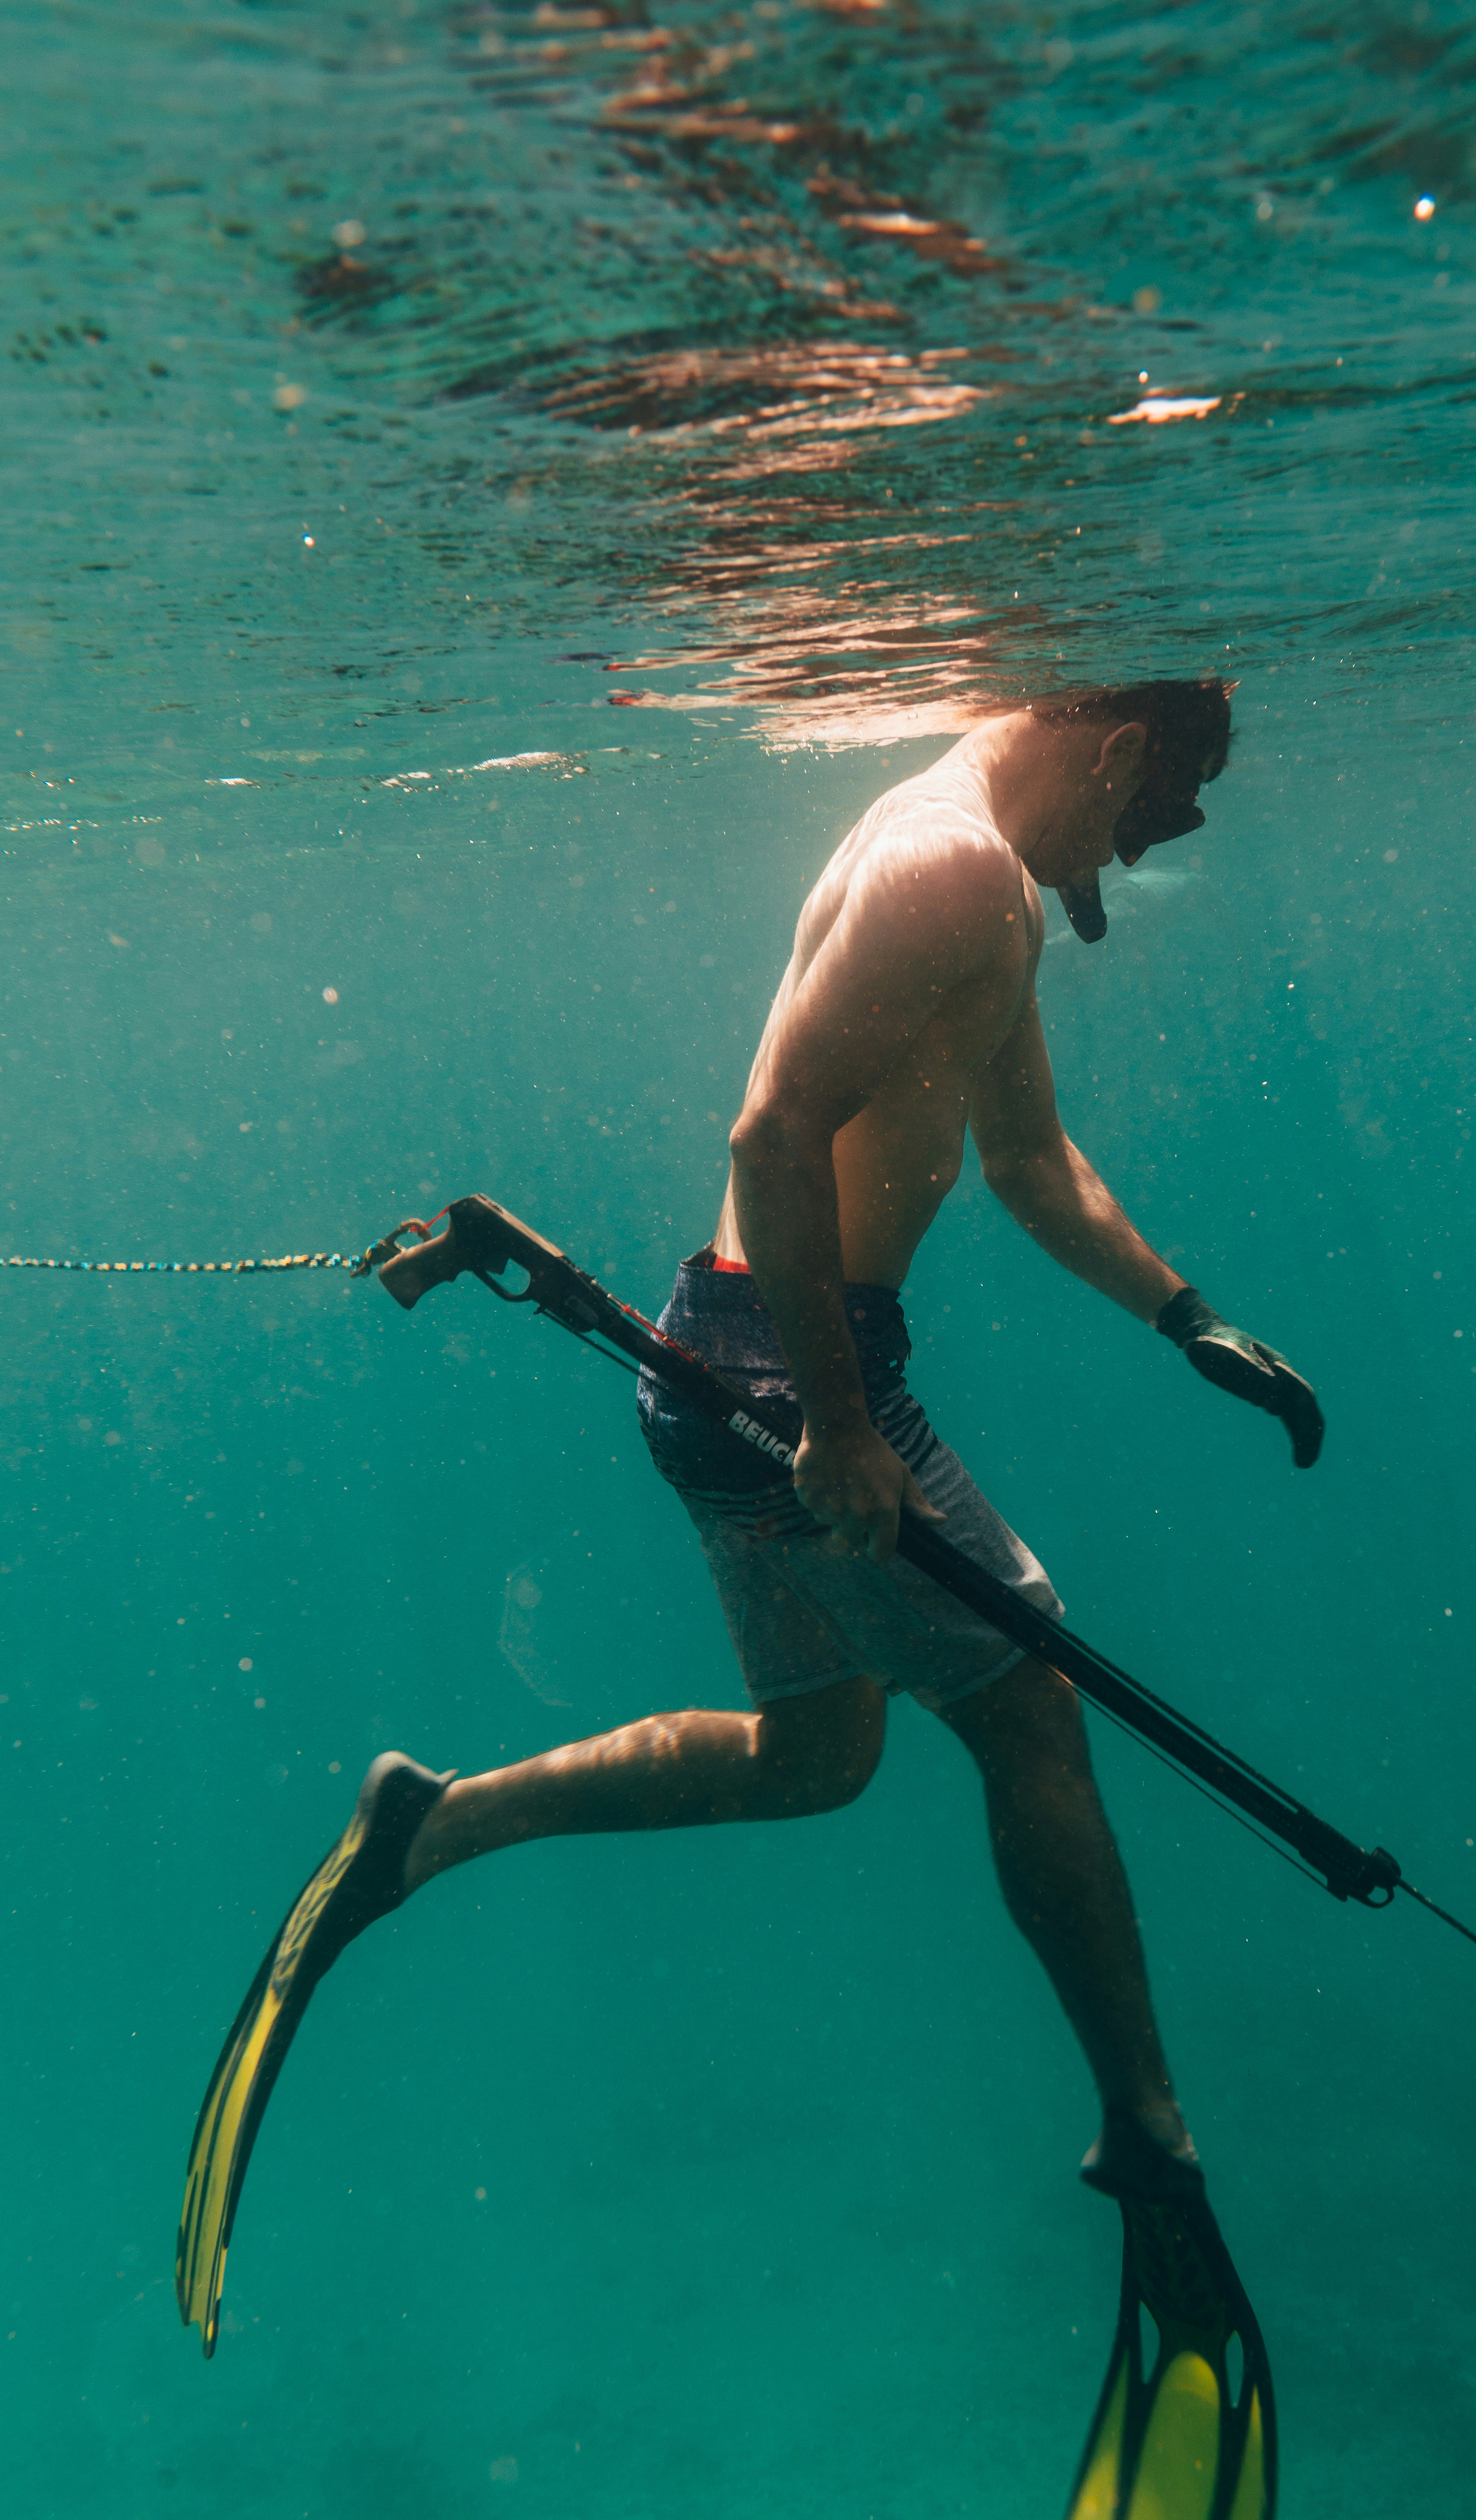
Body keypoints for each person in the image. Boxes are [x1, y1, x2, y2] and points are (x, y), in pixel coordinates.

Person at [177, 678, 1325, 2361]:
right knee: (1029, 1709)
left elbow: (1026, 1158)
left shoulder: (978, 868)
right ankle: (1147, 2132)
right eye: (1156, 817)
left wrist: (1187, 1316)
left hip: (755, 1354)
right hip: (791, 1374)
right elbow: (771, 1130)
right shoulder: (949, 867)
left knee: (819, 1760)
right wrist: (842, 1427)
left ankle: (428, 1826)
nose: (1144, 854)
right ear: (1116, 749)